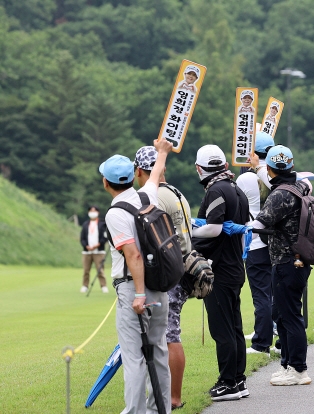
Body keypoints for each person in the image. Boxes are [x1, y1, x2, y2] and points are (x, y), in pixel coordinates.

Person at [100, 137, 173, 413]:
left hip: (135, 290)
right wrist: (163, 151)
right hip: (160, 286)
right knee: (159, 352)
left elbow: (133, 255)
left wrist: (139, 294)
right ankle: (160, 410)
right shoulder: (146, 196)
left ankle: (135, 412)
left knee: (134, 358)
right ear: (133, 176)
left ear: (106, 183)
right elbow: (155, 174)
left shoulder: (115, 213)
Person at [133, 145, 192, 410]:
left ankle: (173, 397)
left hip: (167, 272)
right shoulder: (177, 192)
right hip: (183, 264)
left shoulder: (154, 197)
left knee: (168, 336)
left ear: (138, 171)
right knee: (169, 333)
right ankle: (168, 395)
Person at [190, 145, 250, 401]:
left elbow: (213, 229)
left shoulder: (215, 189)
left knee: (222, 329)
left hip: (218, 270)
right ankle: (238, 380)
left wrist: (187, 232)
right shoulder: (235, 187)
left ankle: (227, 383)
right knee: (234, 326)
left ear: (199, 168)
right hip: (235, 266)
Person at [248, 145, 312, 386]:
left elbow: (262, 222)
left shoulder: (280, 195)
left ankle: (298, 370)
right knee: (283, 314)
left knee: (290, 316)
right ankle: (287, 364)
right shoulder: (301, 185)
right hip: (297, 260)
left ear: (272, 170)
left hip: (286, 261)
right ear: (291, 165)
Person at [236, 132, 276, 355]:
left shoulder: (245, 179)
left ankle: (262, 343)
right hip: (276, 242)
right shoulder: (275, 176)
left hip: (255, 241)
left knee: (261, 295)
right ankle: (277, 338)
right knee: (275, 294)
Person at [79, 206, 108, 293]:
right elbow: (82, 238)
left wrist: (98, 245)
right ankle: (85, 286)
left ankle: (103, 286)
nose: (92, 212)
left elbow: (105, 237)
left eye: (94, 211)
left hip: (98, 250)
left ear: (98, 212)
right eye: (91, 211)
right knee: (86, 270)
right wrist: (86, 245)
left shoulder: (102, 224)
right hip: (87, 251)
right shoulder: (85, 224)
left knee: (100, 270)